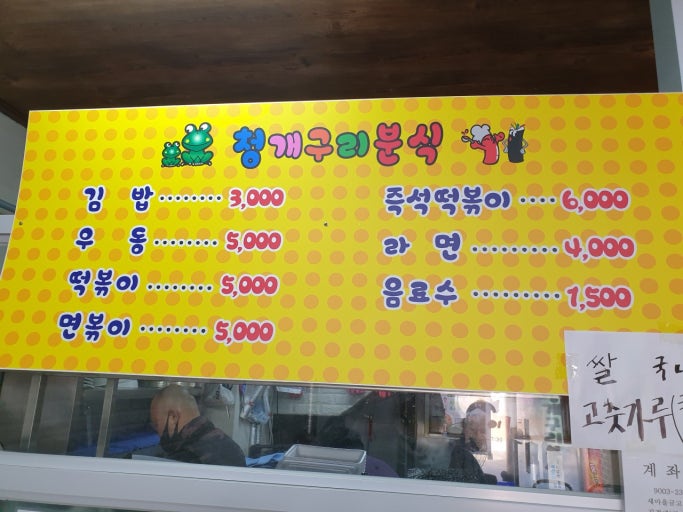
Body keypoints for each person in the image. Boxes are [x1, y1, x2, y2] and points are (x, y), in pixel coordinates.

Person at [149, 384, 246, 467]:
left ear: (173, 417)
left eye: (157, 424)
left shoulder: (186, 458)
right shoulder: (231, 446)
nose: (157, 432)